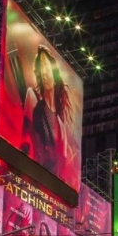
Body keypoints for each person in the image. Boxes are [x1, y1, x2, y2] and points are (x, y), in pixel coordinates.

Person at [22, 45, 76, 184]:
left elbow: (62, 172)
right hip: (31, 179)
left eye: (46, 66)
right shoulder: (32, 98)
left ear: (54, 71)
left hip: (51, 192)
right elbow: (25, 143)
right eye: (41, 68)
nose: (44, 72)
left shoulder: (61, 125)